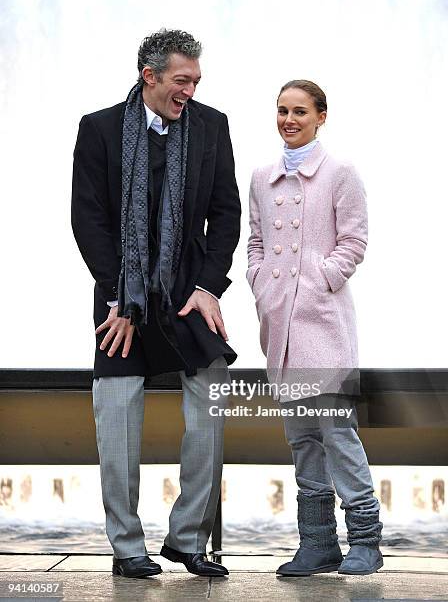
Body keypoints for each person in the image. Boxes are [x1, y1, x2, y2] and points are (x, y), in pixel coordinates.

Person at [72, 29, 240, 578]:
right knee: (116, 415)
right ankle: (127, 548)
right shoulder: (97, 129)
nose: (189, 89)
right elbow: (88, 219)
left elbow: (227, 214)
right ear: (150, 76)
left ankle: (188, 539)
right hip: (124, 296)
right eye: (181, 80)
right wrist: (119, 295)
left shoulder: (212, 126)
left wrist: (209, 286)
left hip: (189, 292)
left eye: (196, 80)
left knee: (211, 405)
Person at [247, 80, 383, 576]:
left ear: (321, 116)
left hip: (323, 324)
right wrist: (261, 284)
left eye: (300, 111)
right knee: (302, 437)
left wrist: (319, 279)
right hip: (279, 324)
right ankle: (318, 543)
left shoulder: (340, 171)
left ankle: (366, 540)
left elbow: (355, 241)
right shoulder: (262, 175)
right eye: (282, 110)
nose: (289, 119)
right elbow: (256, 242)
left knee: (337, 431)